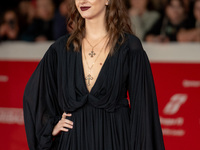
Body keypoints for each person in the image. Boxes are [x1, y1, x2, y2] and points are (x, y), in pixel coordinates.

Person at [23, 0, 165, 149]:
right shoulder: (60, 49)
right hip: (73, 141)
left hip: (116, 140)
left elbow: (143, 110)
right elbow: (34, 94)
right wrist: (50, 126)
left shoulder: (129, 46)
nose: (83, 1)